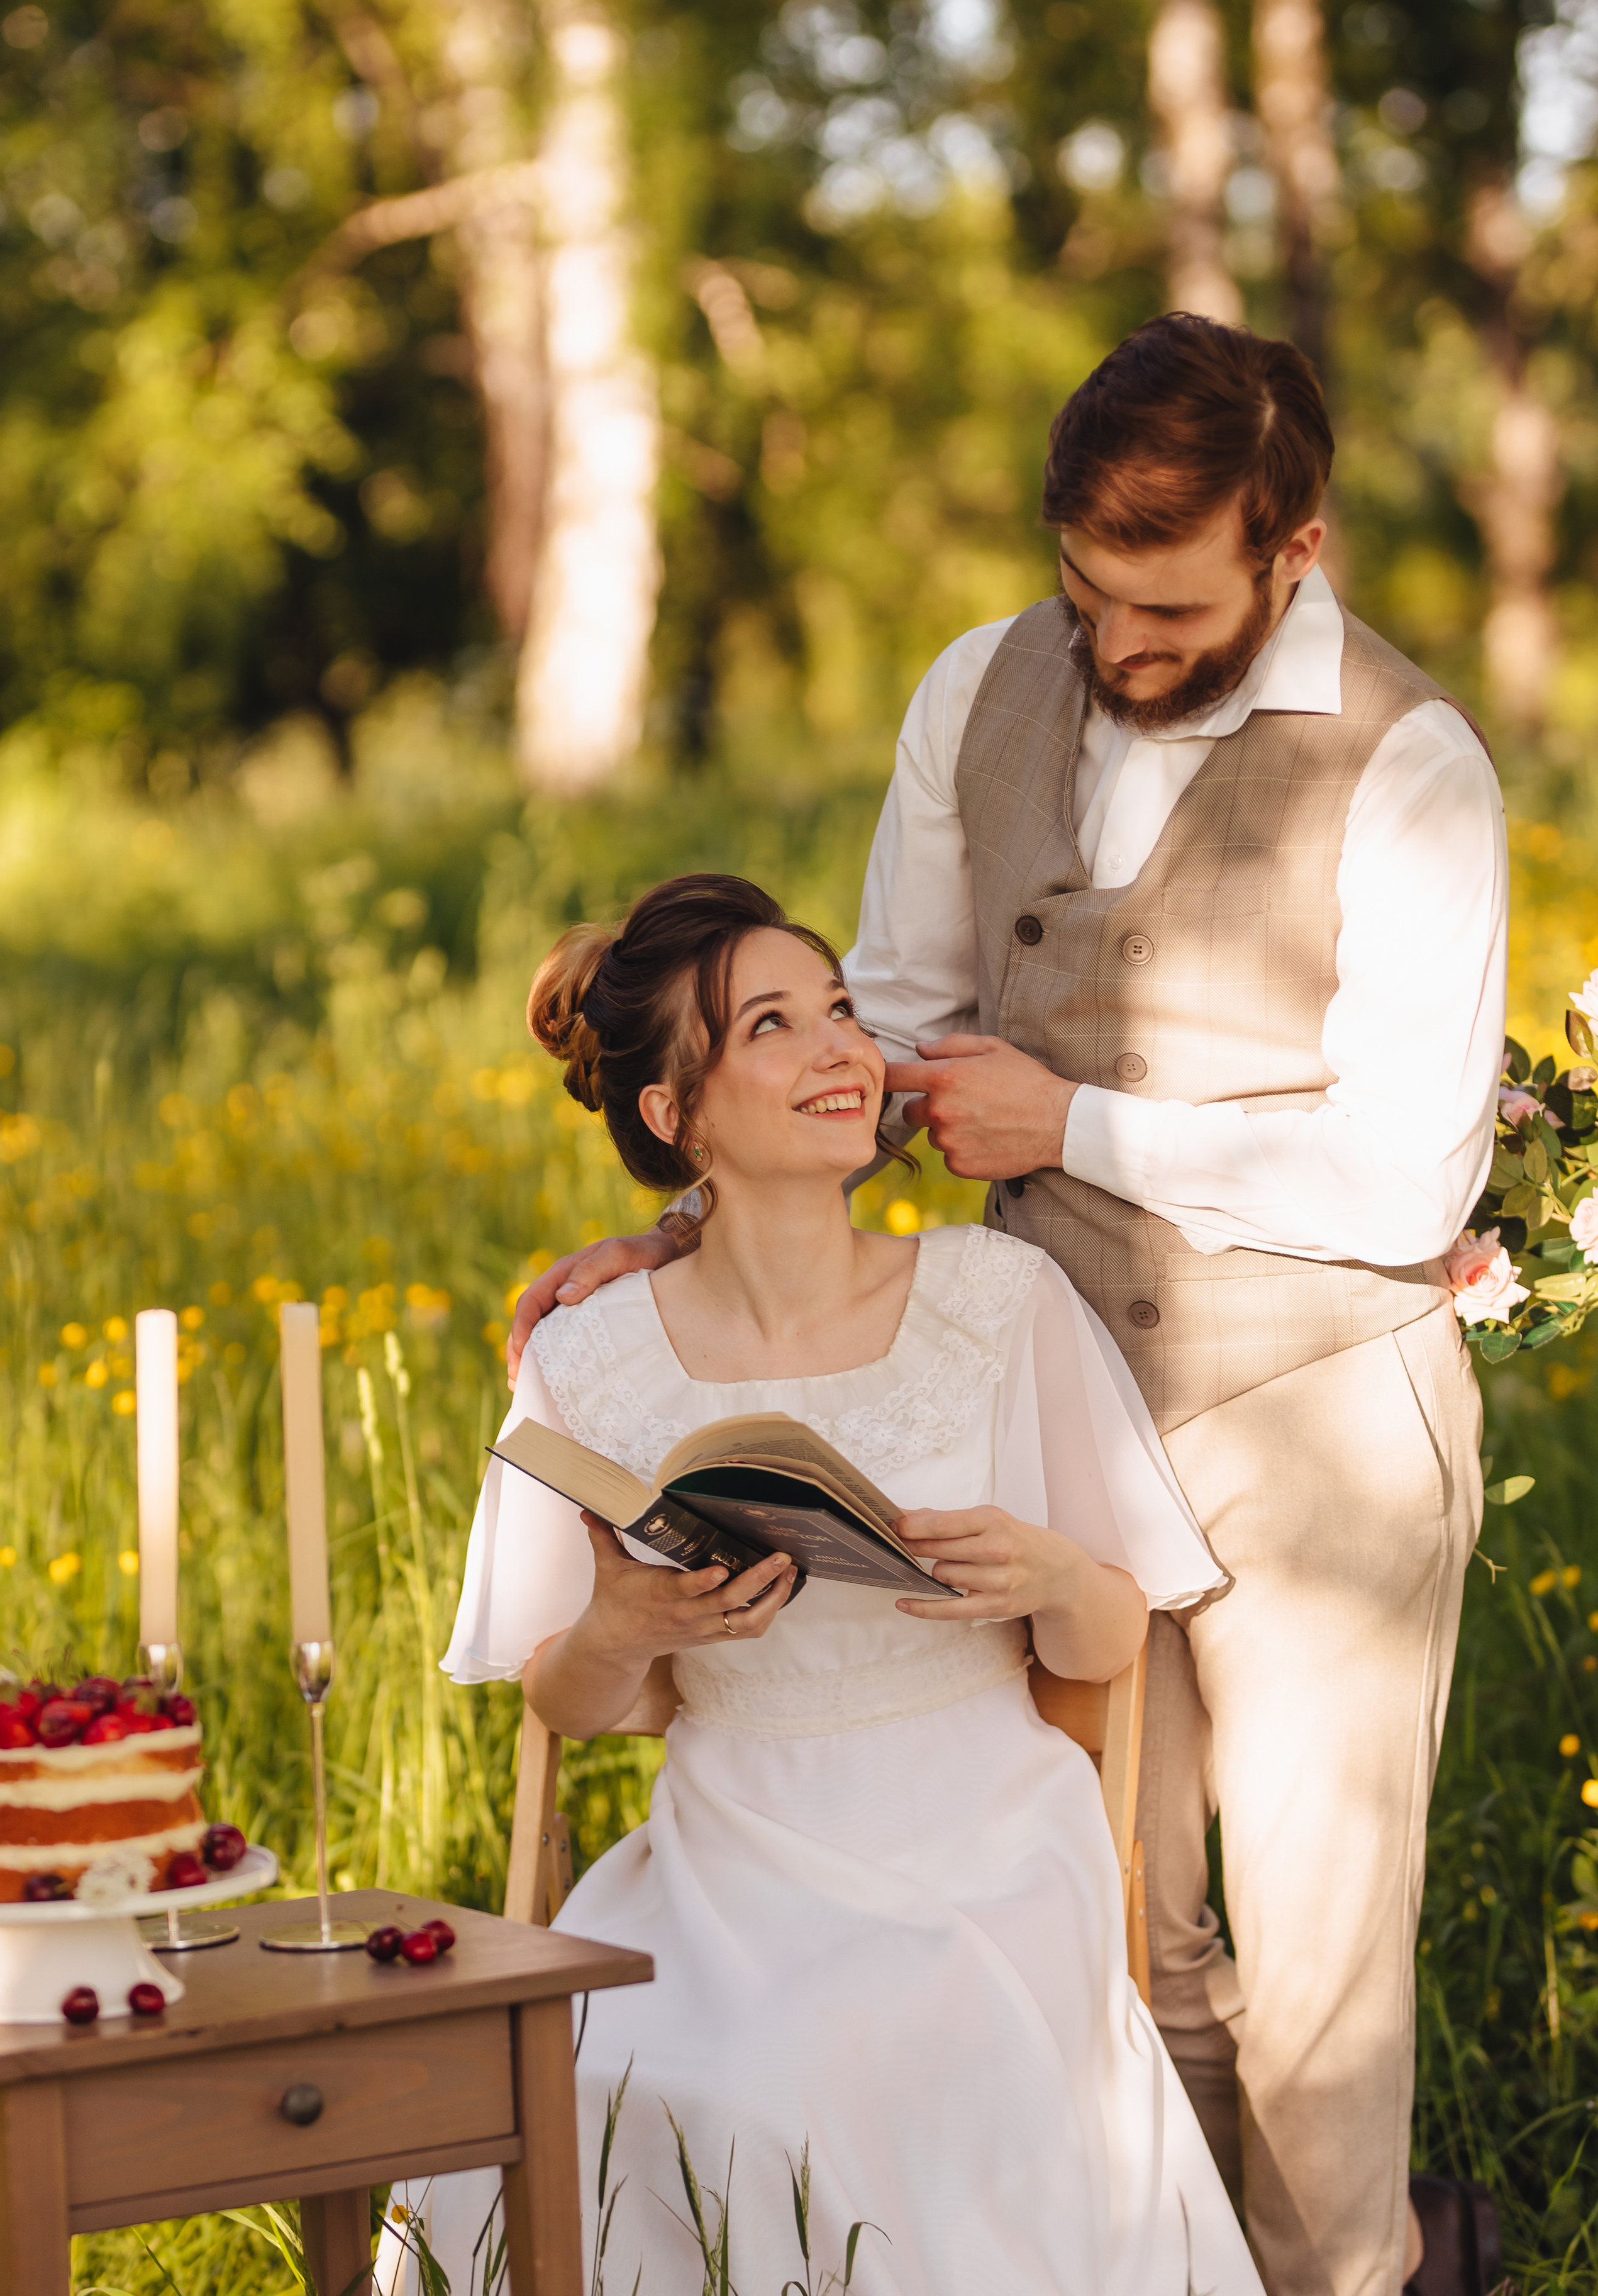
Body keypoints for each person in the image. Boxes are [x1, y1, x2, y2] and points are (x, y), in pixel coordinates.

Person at [506, 318, 1509, 2296]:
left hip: (1312, 1415)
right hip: (1047, 1423)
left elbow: (1412, 1181)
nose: (1116, 647)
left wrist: (1081, 1123)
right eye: (1085, 594)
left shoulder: (1416, 767)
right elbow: (887, 1013)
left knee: (1315, 1994)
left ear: (1292, 549)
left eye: (1165, 606)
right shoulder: (981, 689)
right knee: (1121, 1949)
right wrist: (691, 1234)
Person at [391, 872, 1265, 2296]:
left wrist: (1044, 1568)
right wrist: (620, 1622)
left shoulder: (996, 1298)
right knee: (605, 2067)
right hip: (726, 1844)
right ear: (674, 1116)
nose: (842, 1051)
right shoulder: (588, 1356)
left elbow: (1114, 1636)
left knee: (830, 2057)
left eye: (843, 1011)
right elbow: (569, 1699)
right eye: (776, 1026)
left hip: (980, 1842)